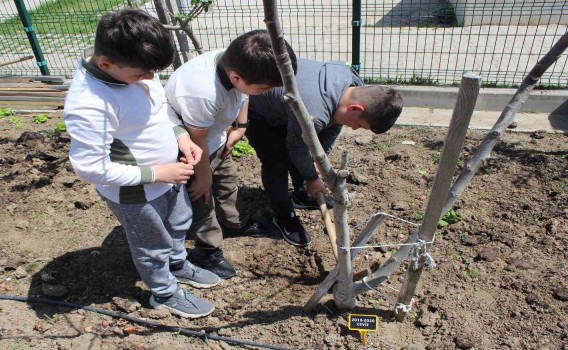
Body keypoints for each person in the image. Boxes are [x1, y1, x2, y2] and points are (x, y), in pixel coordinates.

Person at [63, 9, 219, 319]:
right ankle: (164, 293)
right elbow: (89, 167)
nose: (149, 80)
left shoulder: (134, 67)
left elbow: (159, 110)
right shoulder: (90, 103)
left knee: (178, 222)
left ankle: (178, 264)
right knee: (151, 243)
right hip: (134, 192)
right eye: (142, 75)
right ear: (106, 64)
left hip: (168, 175)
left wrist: (180, 138)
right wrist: (156, 173)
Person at [164, 29, 297, 279]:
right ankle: (207, 250)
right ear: (235, 77)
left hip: (215, 139)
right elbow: (196, 140)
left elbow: (244, 93)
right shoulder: (201, 92)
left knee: (227, 184)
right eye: (265, 88)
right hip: (189, 150)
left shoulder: (236, 65)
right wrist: (203, 177)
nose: (267, 92)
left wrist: (241, 126)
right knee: (202, 199)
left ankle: (233, 224)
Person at [246, 59, 403, 247]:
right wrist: (312, 179)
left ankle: (302, 195)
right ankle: (283, 217)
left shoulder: (353, 87)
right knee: (276, 162)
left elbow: (335, 124)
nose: (354, 129)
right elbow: (297, 147)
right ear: (355, 108)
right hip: (257, 110)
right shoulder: (315, 111)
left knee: (302, 150)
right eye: (359, 125)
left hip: (291, 109)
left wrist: (319, 159)